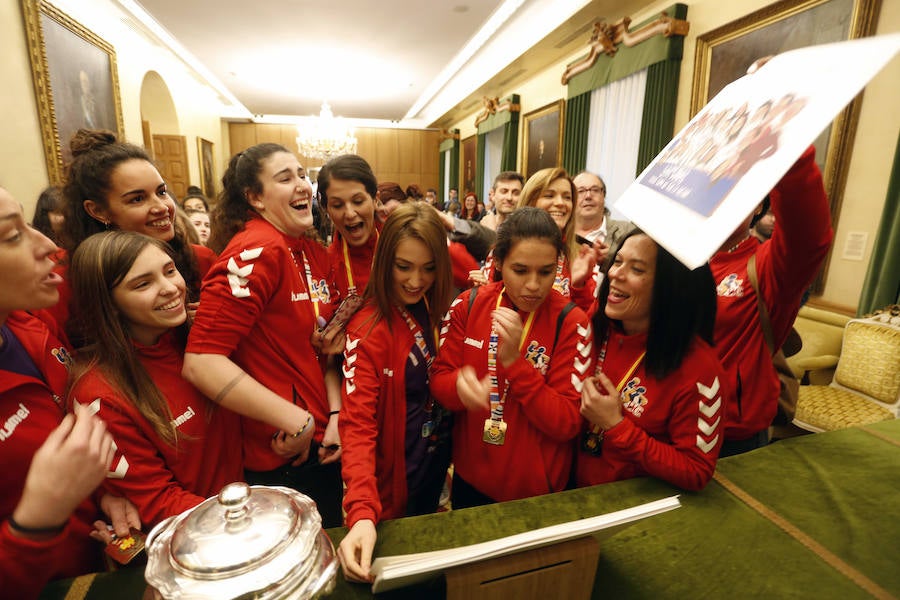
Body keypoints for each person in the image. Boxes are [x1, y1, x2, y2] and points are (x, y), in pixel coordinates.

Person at [183, 143, 345, 528]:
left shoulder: (303, 250)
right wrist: (298, 421)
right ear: (254, 198)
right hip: (285, 458)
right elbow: (201, 361)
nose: (303, 185)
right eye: (285, 178)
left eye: (302, 175)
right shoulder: (259, 248)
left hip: (320, 441)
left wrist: (333, 414)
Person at [0, 186, 139, 599]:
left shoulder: (28, 326)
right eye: (12, 236)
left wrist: (101, 494)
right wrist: (37, 518)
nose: (46, 244)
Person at [66, 231, 243, 528]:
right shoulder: (100, 395)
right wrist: (244, 517)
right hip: (202, 535)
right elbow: (158, 501)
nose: (170, 288)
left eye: (170, 270)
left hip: (236, 504)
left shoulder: (198, 341)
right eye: (143, 284)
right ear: (108, 304)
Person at [431, 207, 592, 508]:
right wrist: (458, 387)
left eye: (546, 272)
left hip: (535, 490)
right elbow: (440, 378)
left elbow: (567, 423)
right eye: (520, 270)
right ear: (500, 262)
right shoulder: (469, 304)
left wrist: (515, 364)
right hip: (471, 479)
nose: (533, 285)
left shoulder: (572, 323)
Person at [337, 203, 454, 583]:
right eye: (403, 267)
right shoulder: (367, 330)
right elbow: (356, 428)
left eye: (429, 267)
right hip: (389, 492)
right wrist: (361, 512)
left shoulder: (435, 307)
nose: (416, 280)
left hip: (434, 473)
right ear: (384, 260)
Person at [575, 229, 728, 491]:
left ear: (670, 287)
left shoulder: (699, 369)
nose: (614, 273)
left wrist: (617, 426)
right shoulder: (599, 324)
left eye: (636, 269)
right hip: (570, 490)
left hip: (630, 509)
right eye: (618, 261)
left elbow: (696, 470)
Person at [712, 145, 832, 456]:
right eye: (718, 189)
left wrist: (789, 147)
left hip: (730, 433)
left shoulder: (765, 266)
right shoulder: (676, 259)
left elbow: (809, 237)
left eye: (739, 192)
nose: (726, 200)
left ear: (757, 208)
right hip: (664, 420)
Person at [56, 128, 216, 327]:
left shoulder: (200, 260)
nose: (161, 207)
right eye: (137, 199)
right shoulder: (68, 283)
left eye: (162, 192)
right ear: (98, 210)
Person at [317, 155, 381, 301]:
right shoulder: (324, 266)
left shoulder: (401, 248)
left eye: (358, 201)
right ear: (326, 209)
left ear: (375, 199)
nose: (350, 214)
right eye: (338, 205)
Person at [572, 171, 631, 249]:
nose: (588, 196)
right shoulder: (560, 235)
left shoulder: (627, 232)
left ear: (604, 195)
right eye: (581, 191)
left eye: (595, 190)